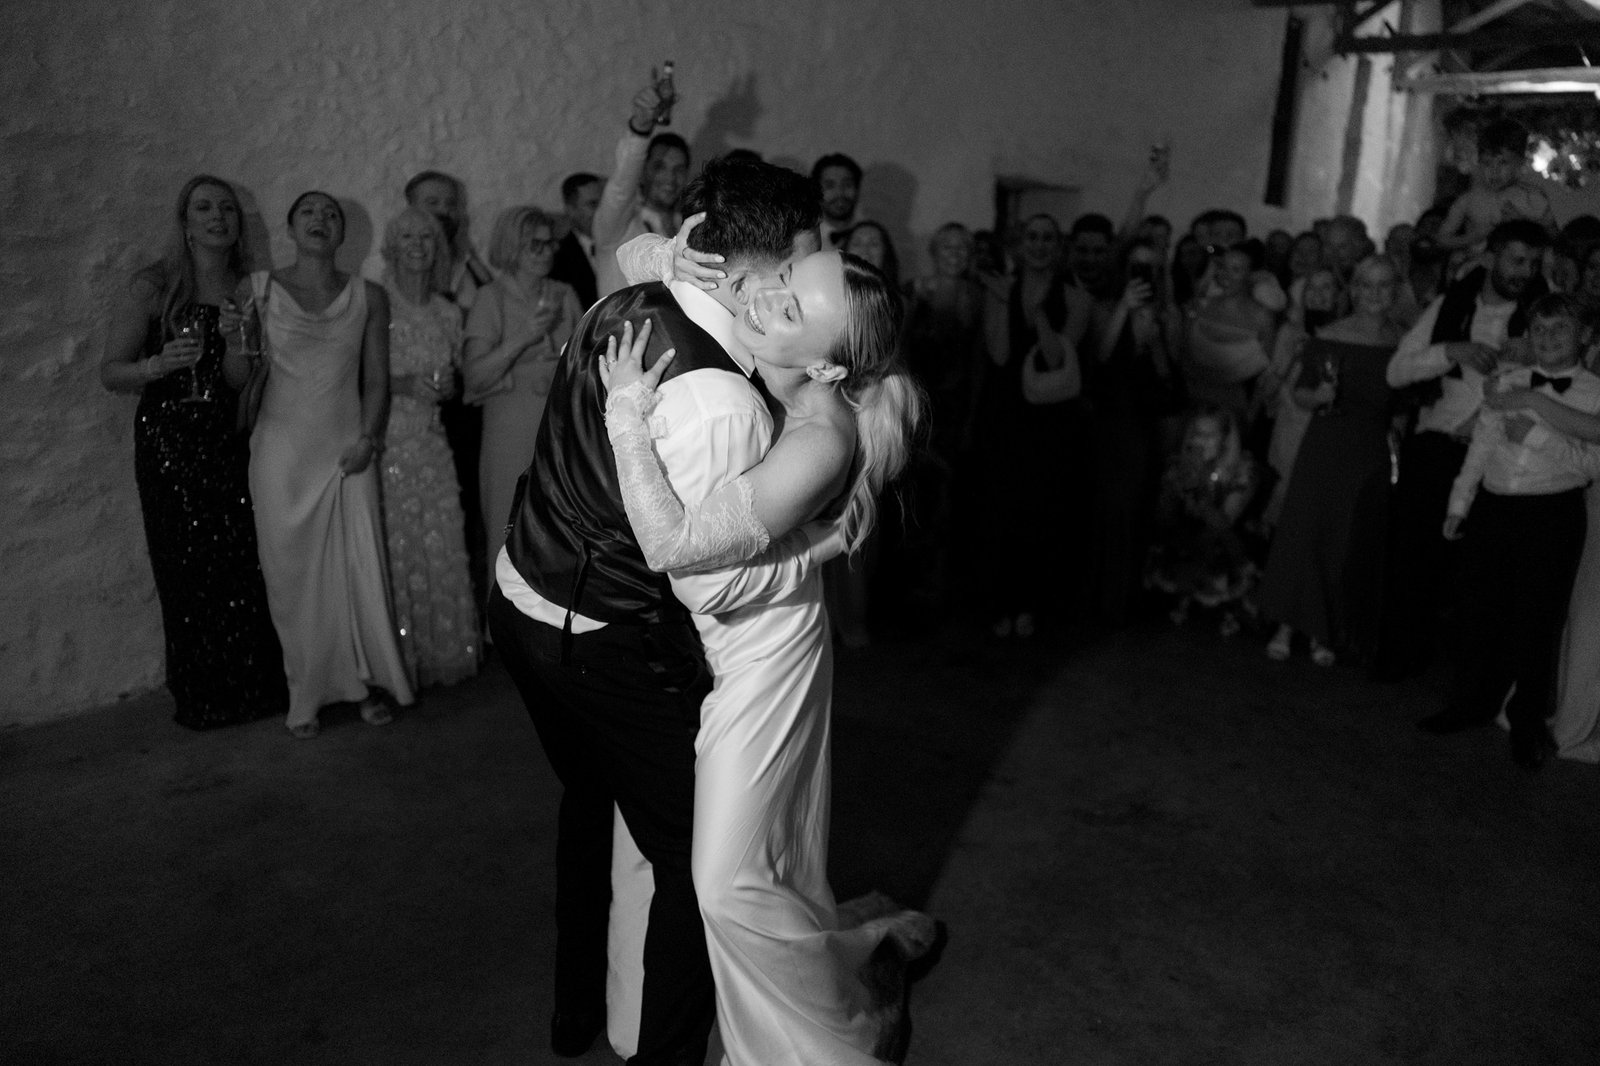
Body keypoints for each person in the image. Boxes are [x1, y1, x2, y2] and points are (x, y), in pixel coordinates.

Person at [486, 157, 822, 1064]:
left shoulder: (615, 305)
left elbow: (637, 257)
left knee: (589, 796)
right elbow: (702, 578)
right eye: (808, 260)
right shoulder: (717, 399)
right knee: (687, 858)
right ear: (759, 276)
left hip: (519, 597)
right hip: (594, 638)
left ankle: (573, 1011)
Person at [602, 230, 936, 1064]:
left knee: (724, 886)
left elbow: (671, 546)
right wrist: (669, 259)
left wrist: (624, 413)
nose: (764, 297)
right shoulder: (777, 359)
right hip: (736, 638)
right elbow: (621, 256)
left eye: (791, 305)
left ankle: (825, 1040)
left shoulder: (819, 436)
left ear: (825, 367)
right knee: (758, 870)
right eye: (783, 277)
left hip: (766, 660)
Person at [99, 174, 286, 729]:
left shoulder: (245, 287)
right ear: (185, 222)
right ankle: (203, 696)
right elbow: (111, 370)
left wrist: (233, 341)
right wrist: (157, 366)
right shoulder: (152, 286)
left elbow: (236, 380)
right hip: (168, 443)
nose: (217, 217)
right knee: (185, 568)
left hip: (224, 439)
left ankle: (252, 689)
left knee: (238, 564)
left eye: (226, 208)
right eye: (204, 207)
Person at [231, 191, 413, 739]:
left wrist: (369, 439)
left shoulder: (369, 295)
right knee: (293, 580)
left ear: (343, 235)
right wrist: (233, 339)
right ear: (290, 226)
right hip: (280, 452)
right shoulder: (256, 289)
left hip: (345, 451)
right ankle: (304, 692)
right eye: (309, 211)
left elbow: (376, 379)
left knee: (355, 572)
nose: (320, 220)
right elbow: (238, 378)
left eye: (330, 215)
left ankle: (362, 684)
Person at [1426, 294, 1600, 769]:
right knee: (1480, 610)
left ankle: (1527, 724)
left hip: (1552, 514)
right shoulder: (1507, 383)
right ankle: (1470, 703)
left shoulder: (1594, 394)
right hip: (1494, 508)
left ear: (1585, 336)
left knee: (1536, 621)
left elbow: (1593, 466)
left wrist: (1539, 436)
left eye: (1559, 330)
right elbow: (1481, 448)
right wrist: (1460, 503)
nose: (1546, 340)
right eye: (1538, 331)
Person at [1372, 219, 1549, 680]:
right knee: (1412, 560)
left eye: (1532, 263)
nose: (1525, 271)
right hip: (1434, 446)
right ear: (1490, 258)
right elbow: (1397, 372)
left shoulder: (1540, 318)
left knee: (1476, 578)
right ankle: (1399, 658)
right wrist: (1452, 350)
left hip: (1494, 457)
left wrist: (1533, 358)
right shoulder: (1452, 304)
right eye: (1516, 260)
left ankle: (1466, 679)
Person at [1259, 256, 1402, 667]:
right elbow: (1302, 392)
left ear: (1395, 291)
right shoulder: (1328, 335)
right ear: (1353, 290)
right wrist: (1317, 396)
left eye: (1384, 285)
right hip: (1325, 444)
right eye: (1365, 284)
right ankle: (1288, 624)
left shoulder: (1404, 342)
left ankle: (1325, 629)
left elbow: (1405, 404)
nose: (1374, 293)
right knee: (1306, 532)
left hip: (1370, 450)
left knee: (1345, 539)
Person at [377, 206, 480, 686]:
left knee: (441, 539)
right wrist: (402, 384)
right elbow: (360, 377)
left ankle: (443, 651)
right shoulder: (378, 305)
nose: (417, 245)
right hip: (389, 442)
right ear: (391, 248)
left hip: (433, 440)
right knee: (397, 546)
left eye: (426, 238)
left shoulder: (447, 311)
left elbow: (458, 379)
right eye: (407, 237)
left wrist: (447, 388)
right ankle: (397, 661)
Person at [978, 212, 1093, 637]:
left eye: (1048, 237)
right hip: (1007, 415)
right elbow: (1001, 354)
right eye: (1032, 236)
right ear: (1019, 244)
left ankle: (1031, 604)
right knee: (1000, 510)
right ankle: (999, 604)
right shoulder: (999, 292)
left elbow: (1058, 358)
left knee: (1044, 512)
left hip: (1053, 421)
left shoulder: (1077, 300)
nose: (1040, 244)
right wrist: (1008, 297)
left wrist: (1040, 315)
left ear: (1058, 246)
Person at [1482, 358, 1600, 763]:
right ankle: (1535, 713)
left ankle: (1558, 727)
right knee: (1567, 617)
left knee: (1583, 621)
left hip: (1577, 494)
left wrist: (1529, 400)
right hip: (1576, 498)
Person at [462, 206, 583, 585]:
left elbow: (584, 363)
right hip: (510, 433)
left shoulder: (564, 294)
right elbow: (474, 374)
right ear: (513, 248)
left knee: (563, 532)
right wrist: (523, 338)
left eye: (551, 244)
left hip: (558, 433)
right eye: (536, 245)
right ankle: (505, 632)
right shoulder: (491, 298)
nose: (547, 252)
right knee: (508, 530)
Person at [1088, 239, 1180, 627]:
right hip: (1107, 419)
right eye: (1137, 266)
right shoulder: (1105, 306)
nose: (1144, 274)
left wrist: (1154, 337)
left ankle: (1123, 600)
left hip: (1143, 422)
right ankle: (1097, 597)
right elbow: (1101, 357)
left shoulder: (1169, 314)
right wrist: (1125, 310)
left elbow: (1169, 376)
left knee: (1136, 510)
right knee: (1104, 510)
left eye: (1152, 268)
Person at [901, 223, 987, 612]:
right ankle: (915, 593)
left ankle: (943, 594)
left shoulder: (981, 296)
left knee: (954, 508)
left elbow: (979, 364)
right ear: (934, 251)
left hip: (959, 413)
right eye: (948, 247)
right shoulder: (914, 291)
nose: (955, 254)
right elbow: (900, 352)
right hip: (919, 410)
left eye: (963, 247)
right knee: (919, 505)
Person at [1146, 405, 1260, 636]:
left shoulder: (1243, 467)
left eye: (1210, 435)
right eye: (1198, 433)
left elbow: (1225, 523)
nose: (1202, 441)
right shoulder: (1179, 464)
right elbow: (1162, 519)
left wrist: (1202, 496)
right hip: (1186, 536)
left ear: (1225, 439)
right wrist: (1174, 489)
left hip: (1226, 542)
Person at [592, 72, 689, 300]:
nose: (669, 178)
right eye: (659, 167)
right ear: (643, 172)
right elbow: (621, 186)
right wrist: (640, 128)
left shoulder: (688, 228)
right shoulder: (618, 226)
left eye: (679, 170)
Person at [1263, 267, 1344, 528]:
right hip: (1291, 430)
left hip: (1329, 432)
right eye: (1312, 288)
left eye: (1326, 288)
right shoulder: (1289, 333)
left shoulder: (1349, 334)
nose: (1318, 296)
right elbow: (1270, 388)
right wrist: (1295, 357)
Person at [1180, 243, 1276, 423]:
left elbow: (1266, 374)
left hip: (1234, 410)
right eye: (1223, 267)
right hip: (1194, 403)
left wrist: (1251, 415)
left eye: (1236, 269)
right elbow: (1185, 356)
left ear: (1250, 275)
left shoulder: (1262, 317)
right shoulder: (1201, 306)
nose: (1226, 274)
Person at [1436, 119, 1556, 261]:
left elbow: (1553, 239)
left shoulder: (1532, 197)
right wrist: (1473, 238)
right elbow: (1440, 240)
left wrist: (1523, 223)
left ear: (1520, 163)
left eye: (1503, 162)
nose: (1494, 171)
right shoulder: (1469, 200)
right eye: (1487, 163)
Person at [552, 171, 603, 309]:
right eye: (593, 204)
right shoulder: (559, 259)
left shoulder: (626, 240)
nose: (603, 211)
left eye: (605, 203)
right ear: (571, 210)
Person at [813, 152, 863, 249]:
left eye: (847, 185)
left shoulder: (872, 237)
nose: (840, 193)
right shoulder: (806, 240)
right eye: (830, 186)